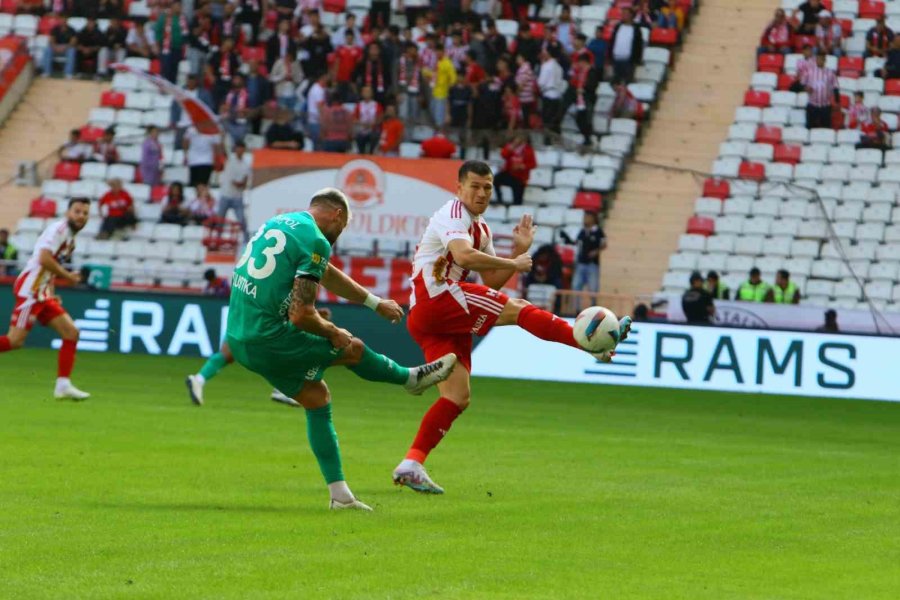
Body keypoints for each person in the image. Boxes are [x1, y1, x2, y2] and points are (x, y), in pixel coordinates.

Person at [391, 161, 632, 494]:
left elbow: (492, 281)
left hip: (435, 317)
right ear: (459, 188)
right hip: (437, 297)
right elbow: (463, 258)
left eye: (487, 187)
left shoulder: (482, 228)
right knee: (518, 309)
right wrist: (515, 262)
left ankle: (412, 463)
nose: (481, 193)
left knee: (458, 397)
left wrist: (518, 251)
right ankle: (590, 345)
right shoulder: (452, 212)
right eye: (474, 186)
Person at [219, 188, 458, 510]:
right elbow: (301, 314)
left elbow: (325, 273)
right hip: (268, 338)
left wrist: (373, 303)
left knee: (317, 399)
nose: (338, 236)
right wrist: (333, 331)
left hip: (238, 336)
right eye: (342, 229)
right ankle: (410, 379)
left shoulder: (281, 223)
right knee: (352, 348)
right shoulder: (316, 239)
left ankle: (340, 497)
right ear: (337, 216)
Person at [0, 198, 91, 400]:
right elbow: (44, 259)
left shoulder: (70, 240)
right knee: (14, 341)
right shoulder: (58, 231)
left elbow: (49, 269)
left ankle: (63, 385)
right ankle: (63, 385)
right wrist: (68, 277)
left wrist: (50, 292)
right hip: (30, 291)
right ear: (68, 213)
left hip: (41, 293)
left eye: (85, 213)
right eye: (77, 211)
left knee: (71, 332)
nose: (81, 216)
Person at [559, 211, 606, 300]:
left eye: (587, 217)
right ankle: (576, 309)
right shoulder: (582, 231)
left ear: (593, 218)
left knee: (593, 288)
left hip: (592, 264)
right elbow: (576, 243)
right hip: (581, 263)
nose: (585, 219)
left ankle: (594, 307)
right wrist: (567, 239)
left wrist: (596, 251)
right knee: (576, 286)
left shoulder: (598, 231)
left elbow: (604, 244)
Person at [218, 142, 251, 241]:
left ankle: (247, 241)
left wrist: (242, 184)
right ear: (235, 149)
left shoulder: (245, 164)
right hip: (226, 195)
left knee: (242, 220)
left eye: (241, 148)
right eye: (238, 148)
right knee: (220, 220)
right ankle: (217, 239)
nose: (240, 151)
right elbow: (235, 182)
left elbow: (245, 181)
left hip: (237, 197)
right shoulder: (229, 160)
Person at [494, 134, 536, 206]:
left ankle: (515, 208)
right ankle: (499, 199)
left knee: (517, 199)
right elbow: (503, 155)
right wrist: (512, 147)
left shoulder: (528, 150)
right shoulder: (510, 147)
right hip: (509, 173)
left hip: (521, 178)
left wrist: (523, 166)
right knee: (495, 179)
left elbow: (533, 164)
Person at [803, 53, 839, 130]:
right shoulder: (810, 72)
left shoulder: (830, 73)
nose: (819, 61)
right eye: (817, 59)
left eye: (821, 59)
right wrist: (807, 89)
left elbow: (835, 86)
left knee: (826, 128)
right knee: (810, 127)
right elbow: (803, 84)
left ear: (824, 60)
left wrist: (837, 101)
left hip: (825, 105)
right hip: (812, 105)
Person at [154, 2, 187, 82]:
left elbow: (185, 34)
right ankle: (164, 89)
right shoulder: (164, 17)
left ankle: (172, 90)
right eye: (177, 5)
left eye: (180, 6)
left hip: (178, 49)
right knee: (166, 69)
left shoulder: (182, 19)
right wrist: (157, 45)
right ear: (172, 6)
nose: (179, 8)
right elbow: (158, 31)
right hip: (166, 48)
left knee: (174, 70)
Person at [609, 7, 643, 84]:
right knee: (615, 83)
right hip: (616, 59)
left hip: (628, 61)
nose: (623, 15)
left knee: (626, 83)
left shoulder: (636, 28)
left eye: (625, 14)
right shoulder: (618, 26)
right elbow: (613, 41)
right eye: (622, 14)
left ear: (631, 15)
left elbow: (638, 45)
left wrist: (636, 60)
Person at [537, 49, 564, 140]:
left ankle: (547, 140)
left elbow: (541, 82)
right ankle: (557, 138)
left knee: (547, 118)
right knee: (555, 118)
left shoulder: (546, 66)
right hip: (557, 94)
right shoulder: (559, 67)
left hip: (548, 93)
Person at [430, 46, 457, 128]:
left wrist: (449, 85)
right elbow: (432, 74)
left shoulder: (448, 63)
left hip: (442, 92)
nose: (438, 53)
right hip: (432, 90)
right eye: (437, 52)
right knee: (433, 112)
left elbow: (453, 77)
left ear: (443, 52)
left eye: (440, 52)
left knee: (439, 114)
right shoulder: (435, 62)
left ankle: (439, 133)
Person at [353, 85, 383, 155]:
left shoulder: (376, 105)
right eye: (365, 91)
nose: (366, 93)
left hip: (373, 130)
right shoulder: (359, 105)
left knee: (374, 136)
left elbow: (380, 118)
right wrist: (362, 123)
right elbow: (354, 119)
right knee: (359, 138)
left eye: (368, 91)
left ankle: (371, 153)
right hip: (361, 130)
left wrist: (372, 124)